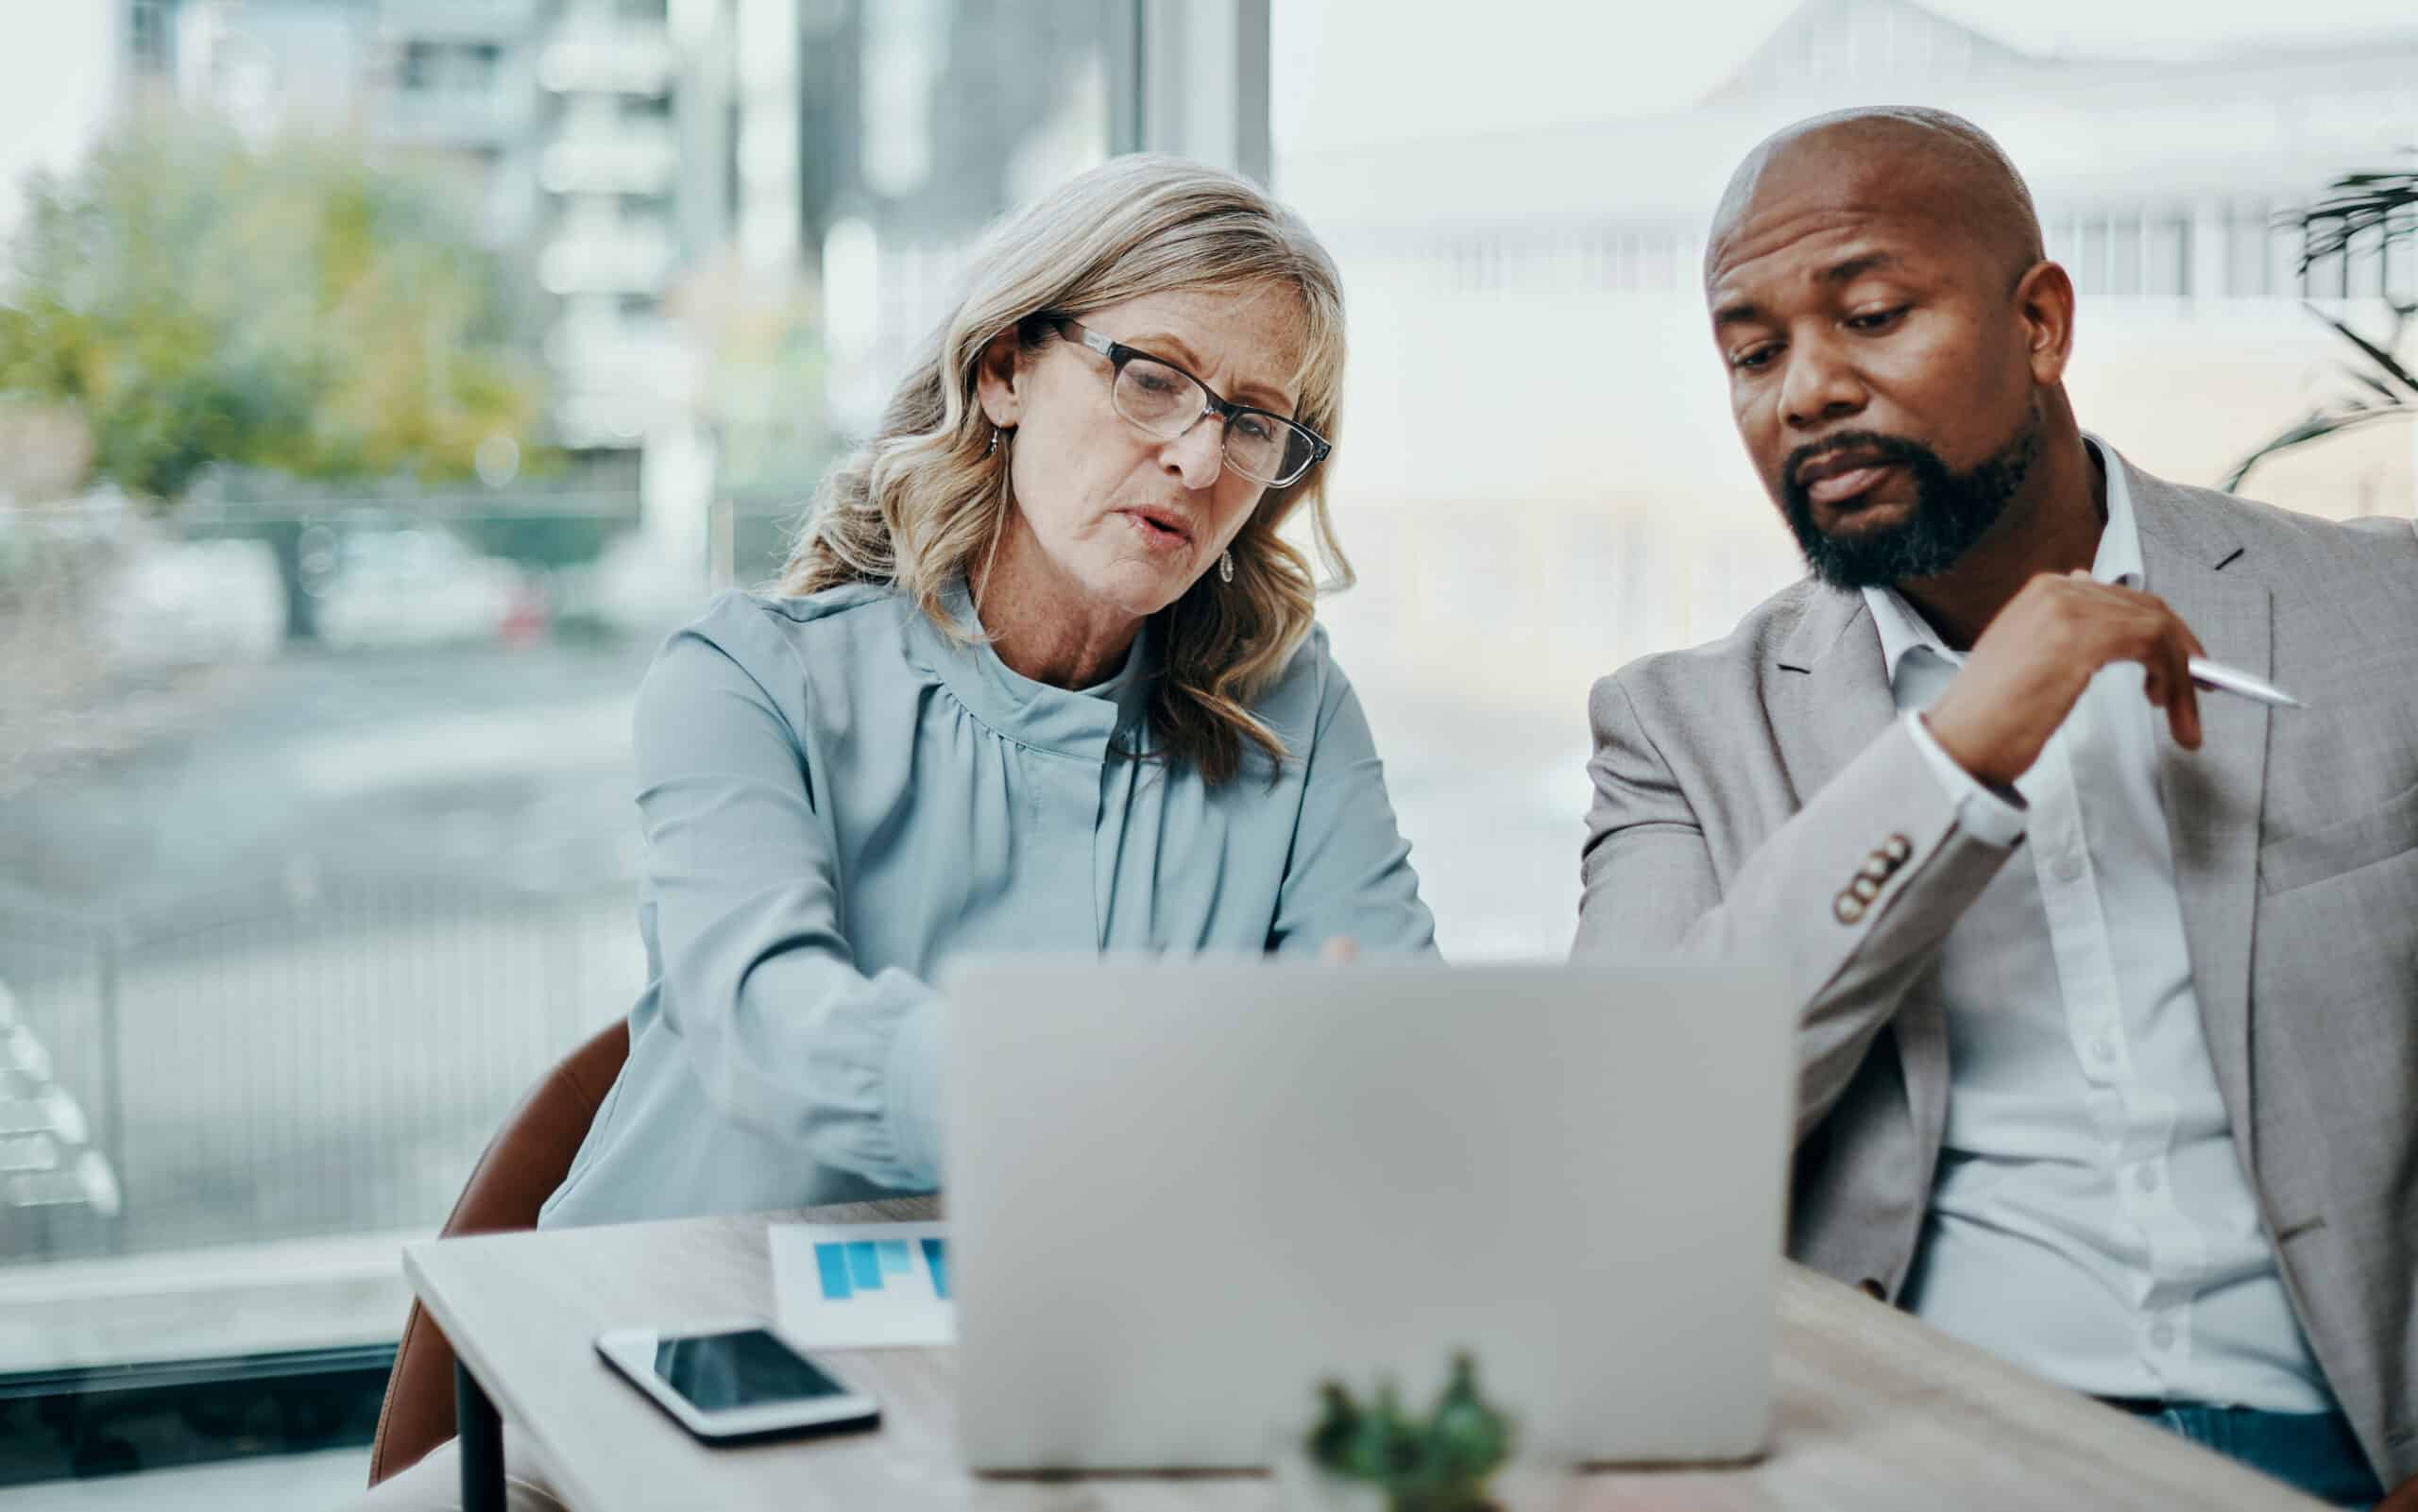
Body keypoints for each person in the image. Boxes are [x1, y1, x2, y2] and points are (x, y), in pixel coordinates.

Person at [351, 154, 1434, 1510]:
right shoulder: (746, 677)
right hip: (636, 1403)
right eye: (1153, 376)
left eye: (1258, 422)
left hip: (1049, 1419)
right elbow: (769, 1020)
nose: (1201, 457)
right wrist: (1141, 1098)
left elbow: (1393, 1058)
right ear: (1002, 369)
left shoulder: (1290, 712)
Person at [1574, 108, 2415, 1508]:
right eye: (1753, 352)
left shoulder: (2384, 619)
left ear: (2039, 325)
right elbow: (1628, 1136)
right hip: (1942, 1453)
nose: (1808, 391)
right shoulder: (1679, 730)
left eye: (1874, 314)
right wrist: (1960, 749)